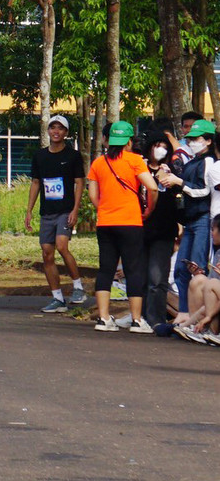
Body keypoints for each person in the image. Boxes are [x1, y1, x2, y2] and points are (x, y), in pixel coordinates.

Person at [86, 120, 160, 332]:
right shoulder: (135, 160)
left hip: (106, 223)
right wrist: (149, 210)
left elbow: (93, 195)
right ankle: (137, 320)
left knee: (106, 268)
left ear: (110, 141)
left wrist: (106, 208)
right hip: (130, 221)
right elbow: (152, 188)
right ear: (128, 141)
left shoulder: (98, 162)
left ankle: (103, 318)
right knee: (133, 269)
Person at [24, 114, 88, 313]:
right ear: (48, 131)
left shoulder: (73, 156)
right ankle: (57, 298)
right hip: (47, 212)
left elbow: (79, 182)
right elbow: (35, 183)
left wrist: (75, 210)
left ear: (66, 133)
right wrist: (29, 211)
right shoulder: (40, 156)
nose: (56, 132)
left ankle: (78, 287)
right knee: (47, 253)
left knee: (61, 245)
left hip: (65, 210)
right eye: (53, 128)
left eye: (60, 128)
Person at [173, 118, 217, 315]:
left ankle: (199, 316)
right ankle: (184, 314)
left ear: (208, 141)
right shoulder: (194, 161)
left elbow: (204, 192)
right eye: (189, 139)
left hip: (201, 219)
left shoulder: (208, 161)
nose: (191, 142)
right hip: (190, 221)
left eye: (196, 138)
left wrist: (180, 183)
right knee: (181, 270)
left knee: (197, 270)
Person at [142, 132, 183, 328]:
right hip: (139, 229)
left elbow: (179, 199)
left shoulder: (172, 171)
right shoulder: (139, 169)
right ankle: (139, 316)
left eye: (164, 146)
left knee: (157, 278)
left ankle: (156, 319)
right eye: (156, 145)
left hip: (165, 230)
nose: (160, 149)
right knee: (139, 275)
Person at [174, 215, 220, 343]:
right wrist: (198, 273)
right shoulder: (218, 253)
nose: (211, 233)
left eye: (213, 229)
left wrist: (209, 316)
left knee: (211, 284)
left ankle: (210, 330)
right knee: (198, 280)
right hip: (215, 301)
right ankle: (196, 329)